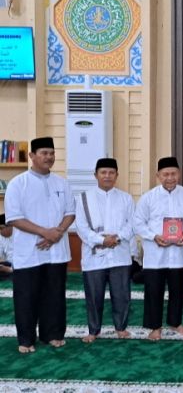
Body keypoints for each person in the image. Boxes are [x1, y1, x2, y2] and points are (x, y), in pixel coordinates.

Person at [3, 136, 75, 353]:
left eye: (51, 153)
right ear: (32, 156)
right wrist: (46, 232)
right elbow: (14, 218)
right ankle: (26, 339)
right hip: (29, 252)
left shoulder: (61, 183)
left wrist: (58, 232)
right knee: (26, 296)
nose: (49, 157)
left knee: (54, 295)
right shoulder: (18, 183)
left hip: (56, 251)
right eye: (44, 153)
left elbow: (70, 213)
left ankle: (52, 335)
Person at [133, 156, 183, 341]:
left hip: (178, 252)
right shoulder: (148, 198)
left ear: (179, 174)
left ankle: (175, 322)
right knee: (154, 290)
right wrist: (154, 236)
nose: (170, 178)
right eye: (166, 174)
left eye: (173, 173)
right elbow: (138, 223)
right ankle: (155, 326)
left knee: (177, 289)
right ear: (158, 176)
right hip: (155, 253)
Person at [75, 158, 135, 343]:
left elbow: (132, 224)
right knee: (94, 296)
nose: (107, 176)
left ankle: (121, 328)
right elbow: (81, 228)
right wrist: (102, 240)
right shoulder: (83, 197)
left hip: (120, 254)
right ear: (96, 175)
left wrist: (116, 239)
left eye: (111, 172)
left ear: (117, 175)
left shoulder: (126, 198)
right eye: (103, 172)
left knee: (122, 295)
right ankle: (94, 330)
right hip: (94, 257)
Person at [0, 214, 13, 280]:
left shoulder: (21, 237)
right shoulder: (1, 237)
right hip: (8, 265)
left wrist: (9, 269)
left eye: (1, 228)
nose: (0, 231)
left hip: (21, 268)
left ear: (10, 226)